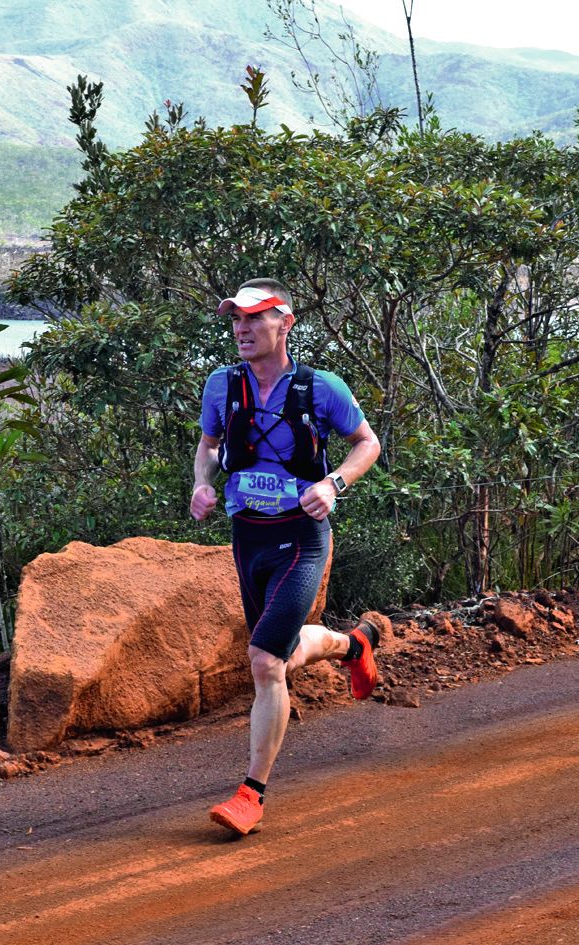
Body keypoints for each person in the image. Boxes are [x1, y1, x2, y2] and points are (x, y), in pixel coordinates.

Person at [191, 277, 385, 836]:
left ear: (286, 323)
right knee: (276, 656)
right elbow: (207, 447)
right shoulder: (222, 386)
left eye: (255, 318)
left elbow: (367, 443)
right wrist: (201, 485)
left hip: (302, 537)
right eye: (236, 319)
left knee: (264, 662)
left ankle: (251, 794)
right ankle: (354, 644)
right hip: (246, 536)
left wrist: (334, 484)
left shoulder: (320, 387)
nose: (242, 329)